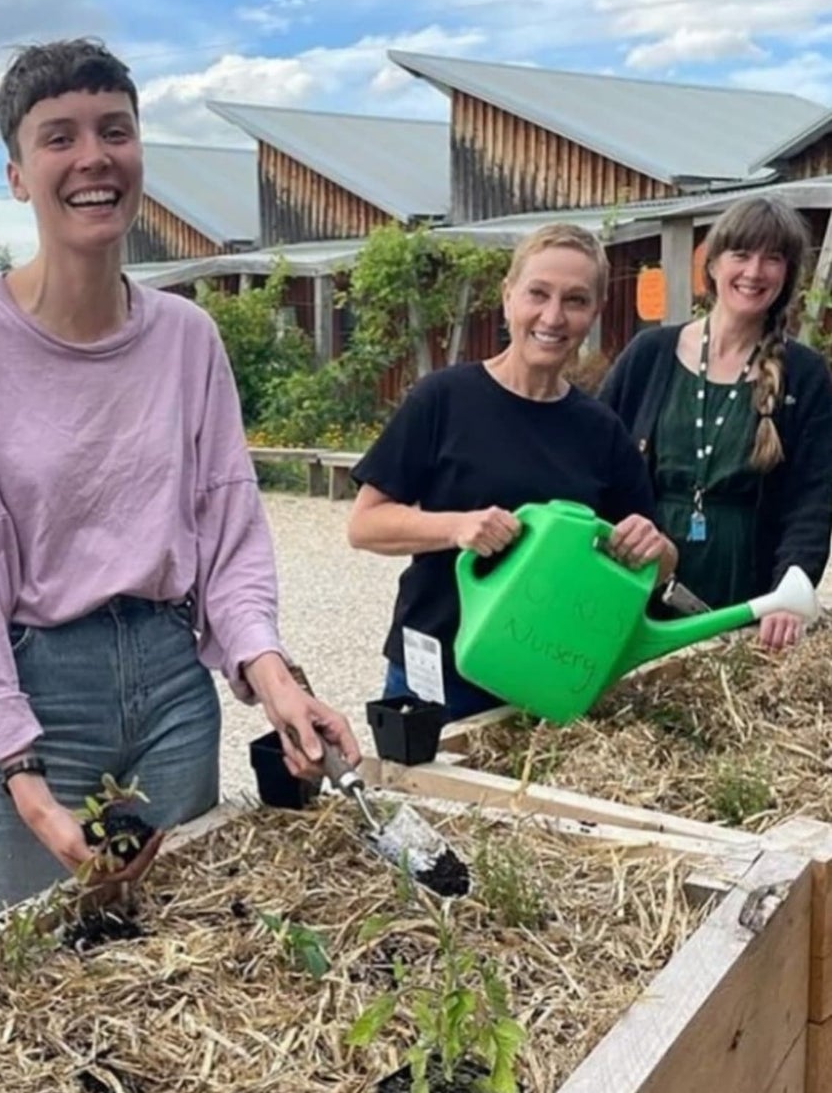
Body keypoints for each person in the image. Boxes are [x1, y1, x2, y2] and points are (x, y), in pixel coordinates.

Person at [0, 37, 360, 935]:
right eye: (58, 138)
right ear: (16, 175)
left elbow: (227, 536)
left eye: (115, 130)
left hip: (171, 686)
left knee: (168, 963)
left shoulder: (186, 340)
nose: (93, 158)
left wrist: (275, 680)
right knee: (11, 977)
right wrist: (15, 769)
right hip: (37, 691)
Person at [347, 223, 676, 722]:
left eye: (575, 300)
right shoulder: (443, 399)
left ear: (594, 313)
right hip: (438, 670)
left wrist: (655, 548)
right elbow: (365, 525)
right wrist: (457, 527)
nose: (553, 316)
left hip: (543, 675)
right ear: (507, 297)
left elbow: (657, 570)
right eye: (537, 294)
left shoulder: (601, 431)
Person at [598, 194, 832, 648]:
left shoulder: (804, 375)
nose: (754, 271)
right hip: (640, 577)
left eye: (773, 258)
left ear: (786, 275)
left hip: (748, 589)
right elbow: (594, 463)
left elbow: (812, 499)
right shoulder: (648, 356)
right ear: (712, 263)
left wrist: (791, 591)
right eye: (741, 254)